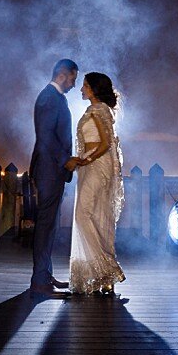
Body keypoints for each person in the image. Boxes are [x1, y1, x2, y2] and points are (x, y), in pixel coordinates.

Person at [64, 71, 125, 297]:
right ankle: (104, 279)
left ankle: (107, 269)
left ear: (93, 89)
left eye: (85, 86)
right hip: (96, 168)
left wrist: (82, 160)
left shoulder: (96, 110)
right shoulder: (103, 111)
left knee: (82, 214)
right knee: (99, 217)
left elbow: (105, 144)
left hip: (96, 167)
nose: (81, 90)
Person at [28, 58, 77, 298]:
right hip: (49, 171)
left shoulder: (55, 97)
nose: (74, 85)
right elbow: (46, 137)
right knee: (46, 226)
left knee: (50, 225)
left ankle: (45, 275)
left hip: (52, 171)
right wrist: (65, 160)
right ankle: (39, 282)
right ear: (62, 74)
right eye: (73, 79)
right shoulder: (49, 98)